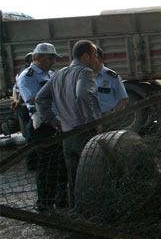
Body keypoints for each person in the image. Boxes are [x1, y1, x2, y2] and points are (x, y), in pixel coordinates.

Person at [36, 40, 102, 207]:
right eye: (94, 56)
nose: (96, 60)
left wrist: (54, 121)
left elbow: (40, 98)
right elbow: (82, 95)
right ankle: (92, 213)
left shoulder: (58, 74)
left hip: (66, 135)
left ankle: (76, 211)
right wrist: (92, 123)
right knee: (91, 175)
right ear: (86, 56)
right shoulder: (85, 72)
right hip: (84, 134)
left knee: (73, 178)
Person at [16, 45, 66, 210]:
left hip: (55, 122)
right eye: (50, 58)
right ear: (38, 57)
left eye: (54, 58)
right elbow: (32, 98)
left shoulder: (50, 74)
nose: (53, 62)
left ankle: (60, 200)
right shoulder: (28, 76)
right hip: (41, 124)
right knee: (46, 167)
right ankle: (44, 203)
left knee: (59, 165)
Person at [95, 47, 128, 114]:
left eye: (92, 58)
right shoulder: (85, 76)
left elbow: (124, 99)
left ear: (100, 59)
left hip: (107, 118)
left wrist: (112, 114)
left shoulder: (111, 76)